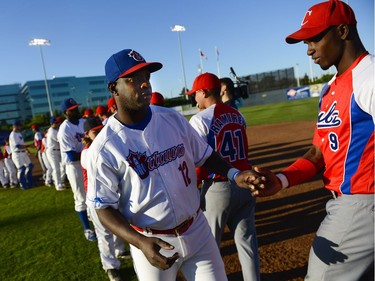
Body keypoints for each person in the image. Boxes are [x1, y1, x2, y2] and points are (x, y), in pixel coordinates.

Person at [85, 48, 261, 281]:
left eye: (146, 77)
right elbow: (102, 207)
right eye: (132, 80)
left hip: (198, 230)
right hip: (152, 241)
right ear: (113, 88)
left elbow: (205, 154)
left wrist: (232, 173)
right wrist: (139, 242)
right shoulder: (105, 147)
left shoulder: (172, 119)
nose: (144, 84)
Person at [251, 1, 374, 280]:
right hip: (345, 203)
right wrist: (281, 180)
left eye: (315, 38)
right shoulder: (330, 89)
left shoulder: (370, 77)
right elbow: (319, 152)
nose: (309, 49)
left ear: (342, 31)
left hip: (362, 205)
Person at [186, 72, 260, 281]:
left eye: (196, 94)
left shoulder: (199, 120)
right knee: (247, 244)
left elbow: (198, 163)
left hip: (217, 189)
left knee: (208, 250)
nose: (194, 98)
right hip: (245, 183)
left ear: (204, 92)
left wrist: (194, 190)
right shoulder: (238, 115)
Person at [81, 116, 128, 281]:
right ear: (87, 134)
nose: (100, 133)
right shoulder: (87, 152)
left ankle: (120, 251)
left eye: (101, 129)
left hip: (114, 195)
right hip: (98, 200)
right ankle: (110, 267)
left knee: (120, 227)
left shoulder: (106, 145)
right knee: (105, 235)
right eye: (95, 132)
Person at [57, 98, 97, 241]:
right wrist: (90, 152)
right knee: (80, 198)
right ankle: (87, 229)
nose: (76, 111)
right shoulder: (64, 129)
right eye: (72, 109)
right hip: (73, 166)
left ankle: (95, 220)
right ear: (66, 113)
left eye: (76, 108)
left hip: (86, 160)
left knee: (93, 193)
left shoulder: (82, 123)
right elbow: (71, 155)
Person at [9, 120, 34, 189]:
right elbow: (18, 146)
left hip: (23, 152)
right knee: (21, 169)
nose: (20, 126)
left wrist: (26, 149)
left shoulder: (19, 133)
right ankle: (23, 184)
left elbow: (22, 144)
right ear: (15, 126)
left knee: (30, 166)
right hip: (17, 154)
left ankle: (30, 182)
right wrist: (29, 146)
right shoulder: (13, 135)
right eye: (19, 125)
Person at [46, 117, 65, 191]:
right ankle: (58, 184)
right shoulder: (52, 131)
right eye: (55, 123)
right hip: (52, 151)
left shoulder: (56, 130)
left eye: (57, 122)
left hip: (57, 150)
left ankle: (61, 181)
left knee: (63, 166)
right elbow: (59, 140)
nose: (57, 124)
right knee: (56, 168)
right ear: (51, 124)